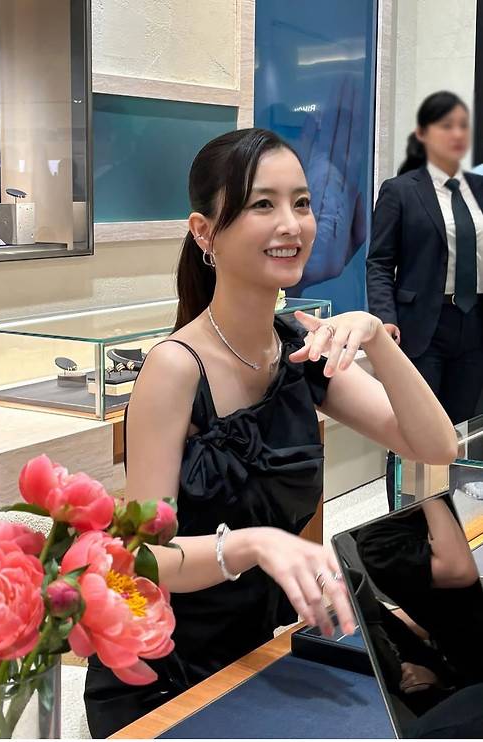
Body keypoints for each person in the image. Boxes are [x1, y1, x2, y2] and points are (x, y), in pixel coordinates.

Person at [84, 128, 457, 738]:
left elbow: (434, 445)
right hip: (168, 674)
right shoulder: (175, 367)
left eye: (301, 203)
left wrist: (375, 337)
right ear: (204, 232)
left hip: (264, 653)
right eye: (263, 204)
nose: (292, 224)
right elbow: (144, 558)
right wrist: (252, 544)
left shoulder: (297, 348)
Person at [367, 92, 483, 510]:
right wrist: (385, 316)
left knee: (461, 430)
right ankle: (405, 520)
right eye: (444, 126)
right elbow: (380, 262)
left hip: (474, 324)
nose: (455, 134)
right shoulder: (401, 190)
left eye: (461, 126)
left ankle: (453, 515)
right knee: (414, 431)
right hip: (421, 328)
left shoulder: (479, 189)